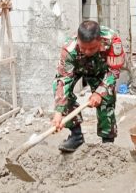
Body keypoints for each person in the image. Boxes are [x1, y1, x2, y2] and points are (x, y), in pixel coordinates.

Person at [51, 20, 125, 152]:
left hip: (102, 71)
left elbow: (114, 71)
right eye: (83, 48)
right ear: (78, 39)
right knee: (62, 94)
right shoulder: (69, 49)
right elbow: (64, 80)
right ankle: (76, 136)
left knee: (106, 98)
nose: (87, 52)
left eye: (92, 48)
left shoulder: (113, 41)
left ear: (100, 40)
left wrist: (99, 92)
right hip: (78, 69)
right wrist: (58, 112)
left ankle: (107, 143)